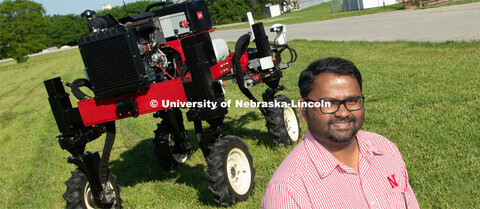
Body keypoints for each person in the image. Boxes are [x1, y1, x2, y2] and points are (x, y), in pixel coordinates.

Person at [262, 57, 420, 208]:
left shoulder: (385, 149)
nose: (343, 113)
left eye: (352, 101)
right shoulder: (288, 190)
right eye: (328, 103)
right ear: (303, 109)